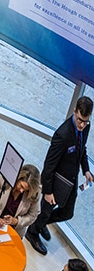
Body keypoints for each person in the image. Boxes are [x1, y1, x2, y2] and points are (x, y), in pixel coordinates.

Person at [25, 96, 92, 255]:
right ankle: (32, 232)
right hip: (56, 182)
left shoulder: (85, 127)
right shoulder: (62, 135)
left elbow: (82, 149)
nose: (82, 125)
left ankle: (40, 224)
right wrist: (48, 192)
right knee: (45, 211)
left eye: (85, 121)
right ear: (74, 111)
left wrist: (86, 170)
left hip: (71, 180)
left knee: (67, 212)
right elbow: (48, 165)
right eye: (79, 120)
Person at [0, 163, 41, 238]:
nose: (22, 191)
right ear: (18, 178)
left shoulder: (35, 193)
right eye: (21, 186)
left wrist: (16, 221)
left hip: (14, 231)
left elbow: (33, 215)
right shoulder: (3, 178)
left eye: (26, 190)